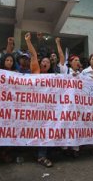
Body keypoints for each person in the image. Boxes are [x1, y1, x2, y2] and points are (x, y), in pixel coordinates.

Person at [25, 32, 65, 167]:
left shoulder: (55, 77)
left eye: (48, 62)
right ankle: (37, 154)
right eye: (43, 61)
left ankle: (42, 155)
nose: (45, 63)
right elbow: (33, 56)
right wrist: (29, 42)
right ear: (40, 64)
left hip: (49, 111)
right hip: (35, 109)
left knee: (46, 130)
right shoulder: (36, 72)